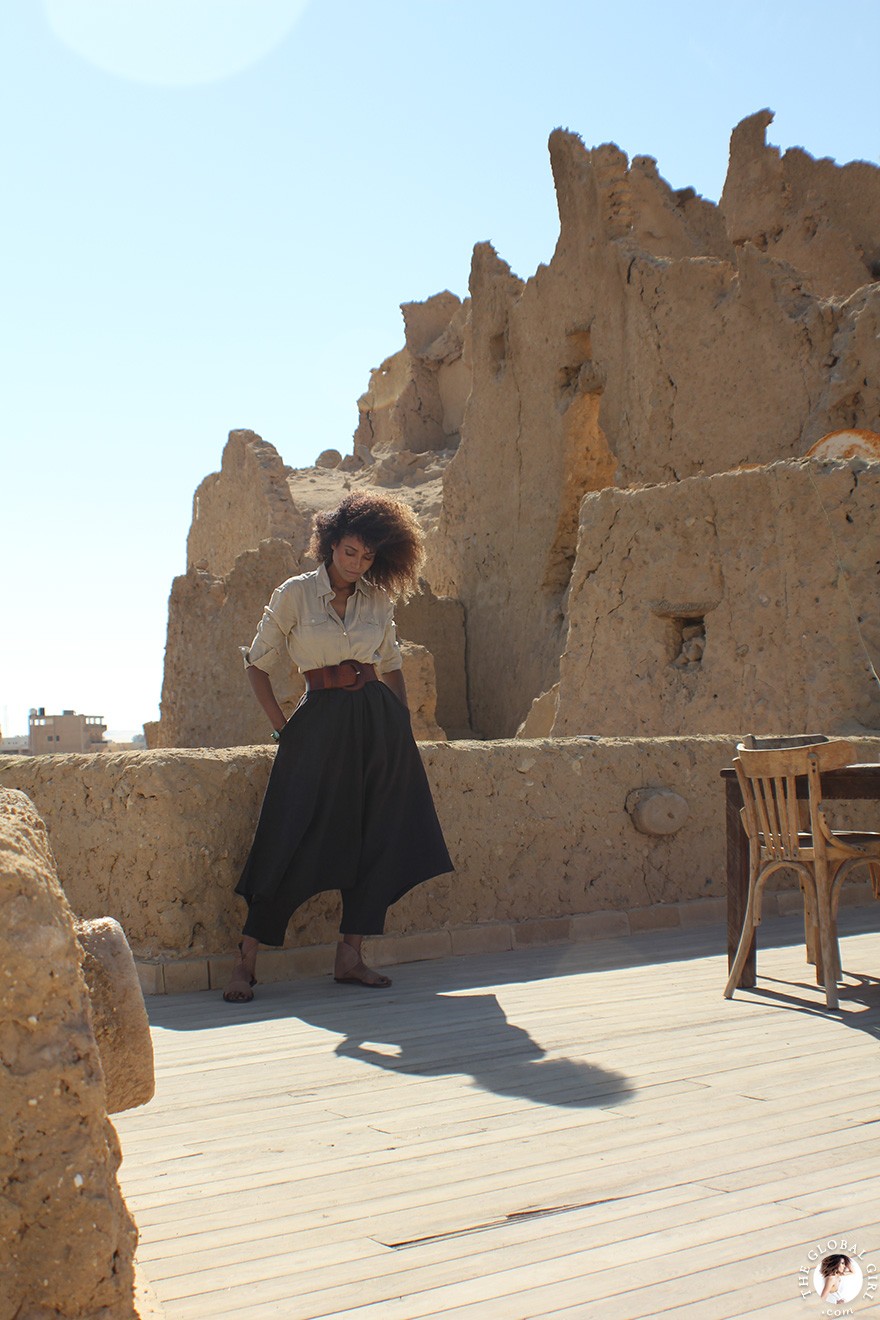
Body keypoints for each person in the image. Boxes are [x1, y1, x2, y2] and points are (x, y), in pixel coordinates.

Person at [223, 491, 453, 1002]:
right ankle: (246, 961)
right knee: (287, 830)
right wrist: (285, 728)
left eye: (368, 555)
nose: (357, 563)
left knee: (378, 833)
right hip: (318, 722)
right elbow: (256, 663)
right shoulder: (295, 595)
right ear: (330, 544)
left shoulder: (377, 600)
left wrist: (401, 726)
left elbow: (391, 665)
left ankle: (351, 956)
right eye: (350, 551)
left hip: (378, 724)